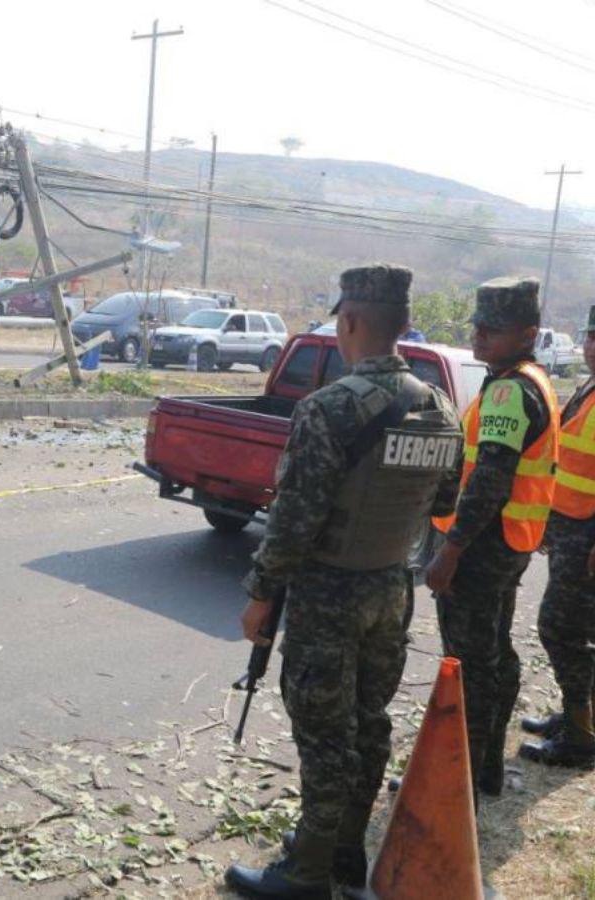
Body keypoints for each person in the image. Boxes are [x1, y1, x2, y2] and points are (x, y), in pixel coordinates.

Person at [227, 264, 462, 900]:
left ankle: (305, 876)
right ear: (405, 326)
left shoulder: (328, 408)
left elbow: (293, 521)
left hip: (328, 594)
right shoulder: (442, 411)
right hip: (391, 590)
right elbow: (444, 498)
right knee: (369, 724)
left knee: (327, 739)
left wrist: (260, 596)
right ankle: (344, 855)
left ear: (349, 321)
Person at [426, 277, 559, 801]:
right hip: (510, 544)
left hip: (482, 547)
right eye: (478, 326)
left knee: (467, 665)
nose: (479, 336)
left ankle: (458, 777)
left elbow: (490, 480)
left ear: (528, 332)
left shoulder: (509, 390)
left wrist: (450, 551)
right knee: (495, 657)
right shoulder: (529, 379)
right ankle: (484, 772)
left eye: (493, 328)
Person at [518, 304, 595, 769]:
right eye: (589, 336)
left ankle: (582, 737)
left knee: (560, 629)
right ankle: (576, 717)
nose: (591, 345)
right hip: (570, 526)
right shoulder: (587, 387)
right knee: (578, 630)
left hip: (588, 534)